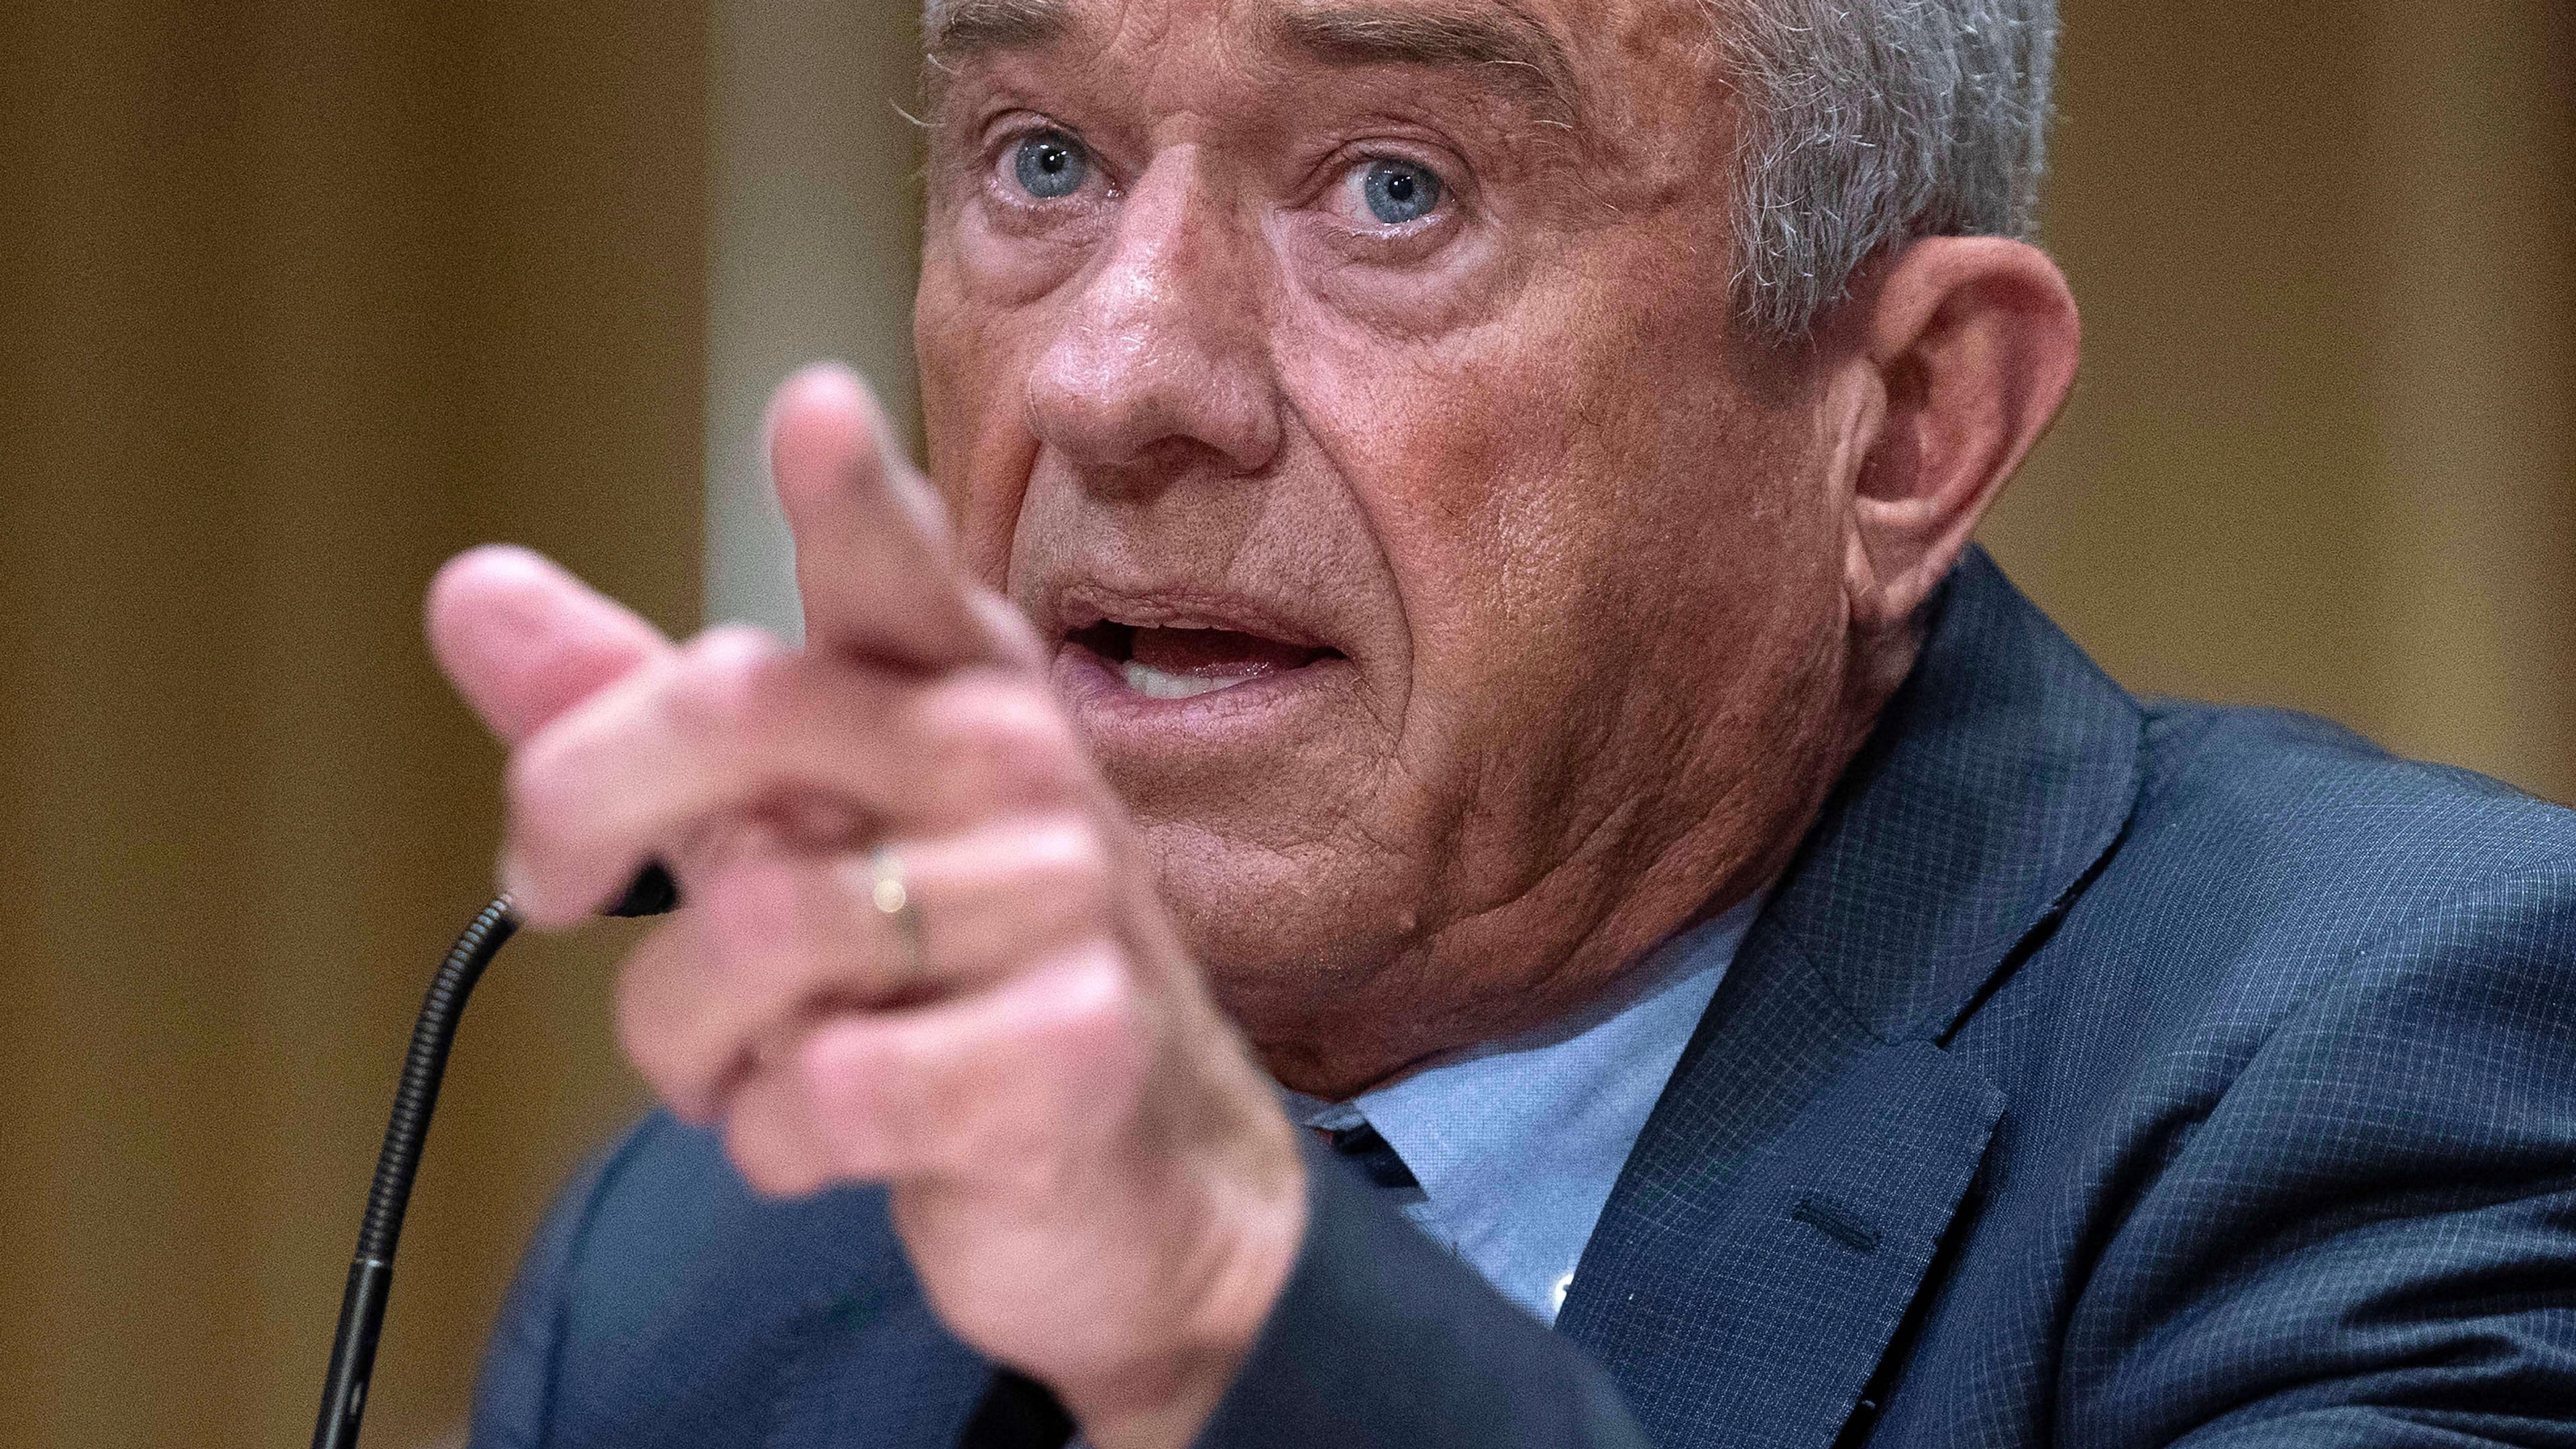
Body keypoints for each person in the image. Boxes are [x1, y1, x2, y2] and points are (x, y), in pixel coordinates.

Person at [443, 0, 2576, 1444]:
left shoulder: (2394, 1072)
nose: (1113, 376)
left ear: (1910, 420)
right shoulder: (706, 1274)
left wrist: (1237, 1304)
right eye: (1042, 161)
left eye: (1396, 187)